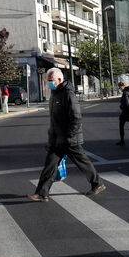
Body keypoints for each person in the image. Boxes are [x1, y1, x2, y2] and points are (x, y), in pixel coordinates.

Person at [27, 68, 105, 202]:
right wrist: (52, 138)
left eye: (50, 81)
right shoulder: (55, 94)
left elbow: (76, 118)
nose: (49, 83)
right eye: (48, 81)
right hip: (58, 139)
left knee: (82, 162)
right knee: (50, 165)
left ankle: (97, 183)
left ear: (59, 79)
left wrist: (69, 136)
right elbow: (54, 120)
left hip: (69, 139)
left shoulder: (68, 94)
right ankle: (42, 193)